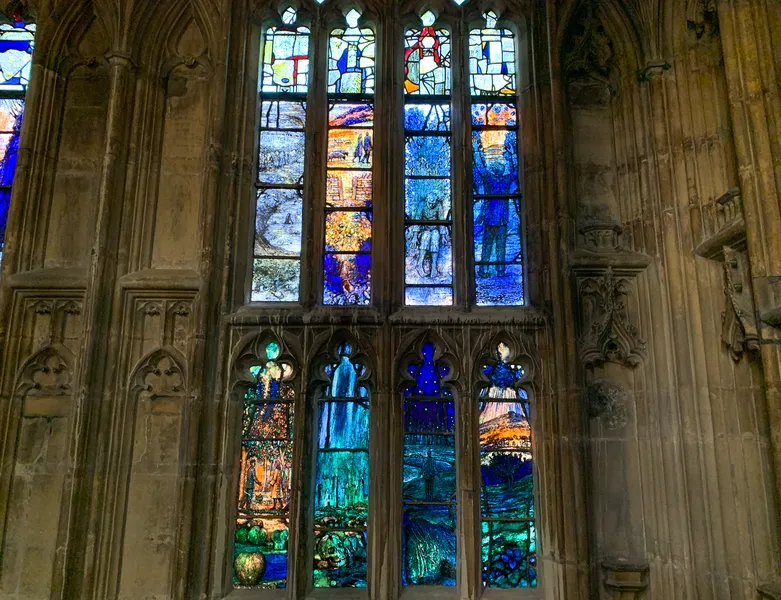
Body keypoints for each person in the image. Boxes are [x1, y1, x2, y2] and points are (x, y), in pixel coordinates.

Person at [416, 193, 446, 278]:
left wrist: (443, 235)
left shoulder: (438, 206)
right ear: (427, 200)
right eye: (430, 203)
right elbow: (417, 219)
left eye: (433, 203)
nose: (431, 205)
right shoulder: (422, 205)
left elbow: (441, 221)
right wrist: (415, 236)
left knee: (435, 236)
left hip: (435, 229)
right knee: (426, 235)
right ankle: (419, 264)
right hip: (424, 229)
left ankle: (433, 266)